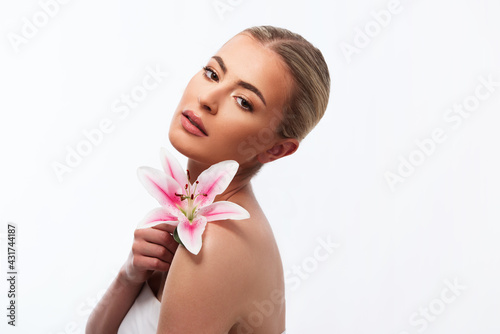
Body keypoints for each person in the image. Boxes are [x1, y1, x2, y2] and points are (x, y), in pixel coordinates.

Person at [85, 25, 330, 334]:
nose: (207, 99)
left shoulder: (216, 244)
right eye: (213, 73)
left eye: (243, 101)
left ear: (277, 148)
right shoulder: (192, 213)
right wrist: (130, 276)